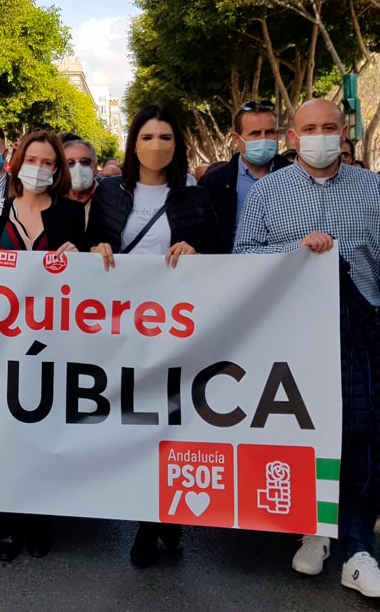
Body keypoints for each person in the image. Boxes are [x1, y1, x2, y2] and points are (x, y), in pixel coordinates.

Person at [236, 99, 380, 599]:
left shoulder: (372, 187)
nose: (319, 136)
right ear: (292, 137)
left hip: (358, 333)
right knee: (303, 434)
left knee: (359, 436)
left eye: (329, 127)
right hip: (291, 334)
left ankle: (358, 551)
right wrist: (294, 252)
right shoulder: (269, 192)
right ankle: (314, 527)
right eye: (309, 128)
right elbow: (242, 256)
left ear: (344, 132)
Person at [85, 107, 220, 567]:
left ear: (177, 143)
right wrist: (95, 249)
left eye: (165, 136)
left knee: (168, 426)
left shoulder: (195, 197)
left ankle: (157, 520)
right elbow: (92, 248)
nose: (156, 145)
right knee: (132, 425)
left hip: (175, 333)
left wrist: (196, 252)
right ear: (133, 142)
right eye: (147, 136)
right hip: (121, 330)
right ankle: (152, 515)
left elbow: (221, 258)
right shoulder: (108, 192)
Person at [0, 131, 85, 561]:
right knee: (5, 434)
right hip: (1, 345)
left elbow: (86, 276)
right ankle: (8, 525)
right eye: (32, 158)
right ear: (18, 161)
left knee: (45, 434)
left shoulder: (72, 214)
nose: (39, 167)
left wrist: (81, 253)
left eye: (48, 162)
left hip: (54, 343)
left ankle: (40, 520)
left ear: (58, 170)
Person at [198, 100, 292, 252]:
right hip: (230, 269)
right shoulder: (213, 182)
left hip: (283, 267)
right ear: (236, 139)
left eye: (269, 132)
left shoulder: (295, 175)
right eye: (255, 133)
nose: (263, 139)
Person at [63, 138, 99, 223]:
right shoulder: (52, 199)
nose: (78, 168)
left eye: (84, 161)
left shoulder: (109, 198)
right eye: (70, 163)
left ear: (95, 168)